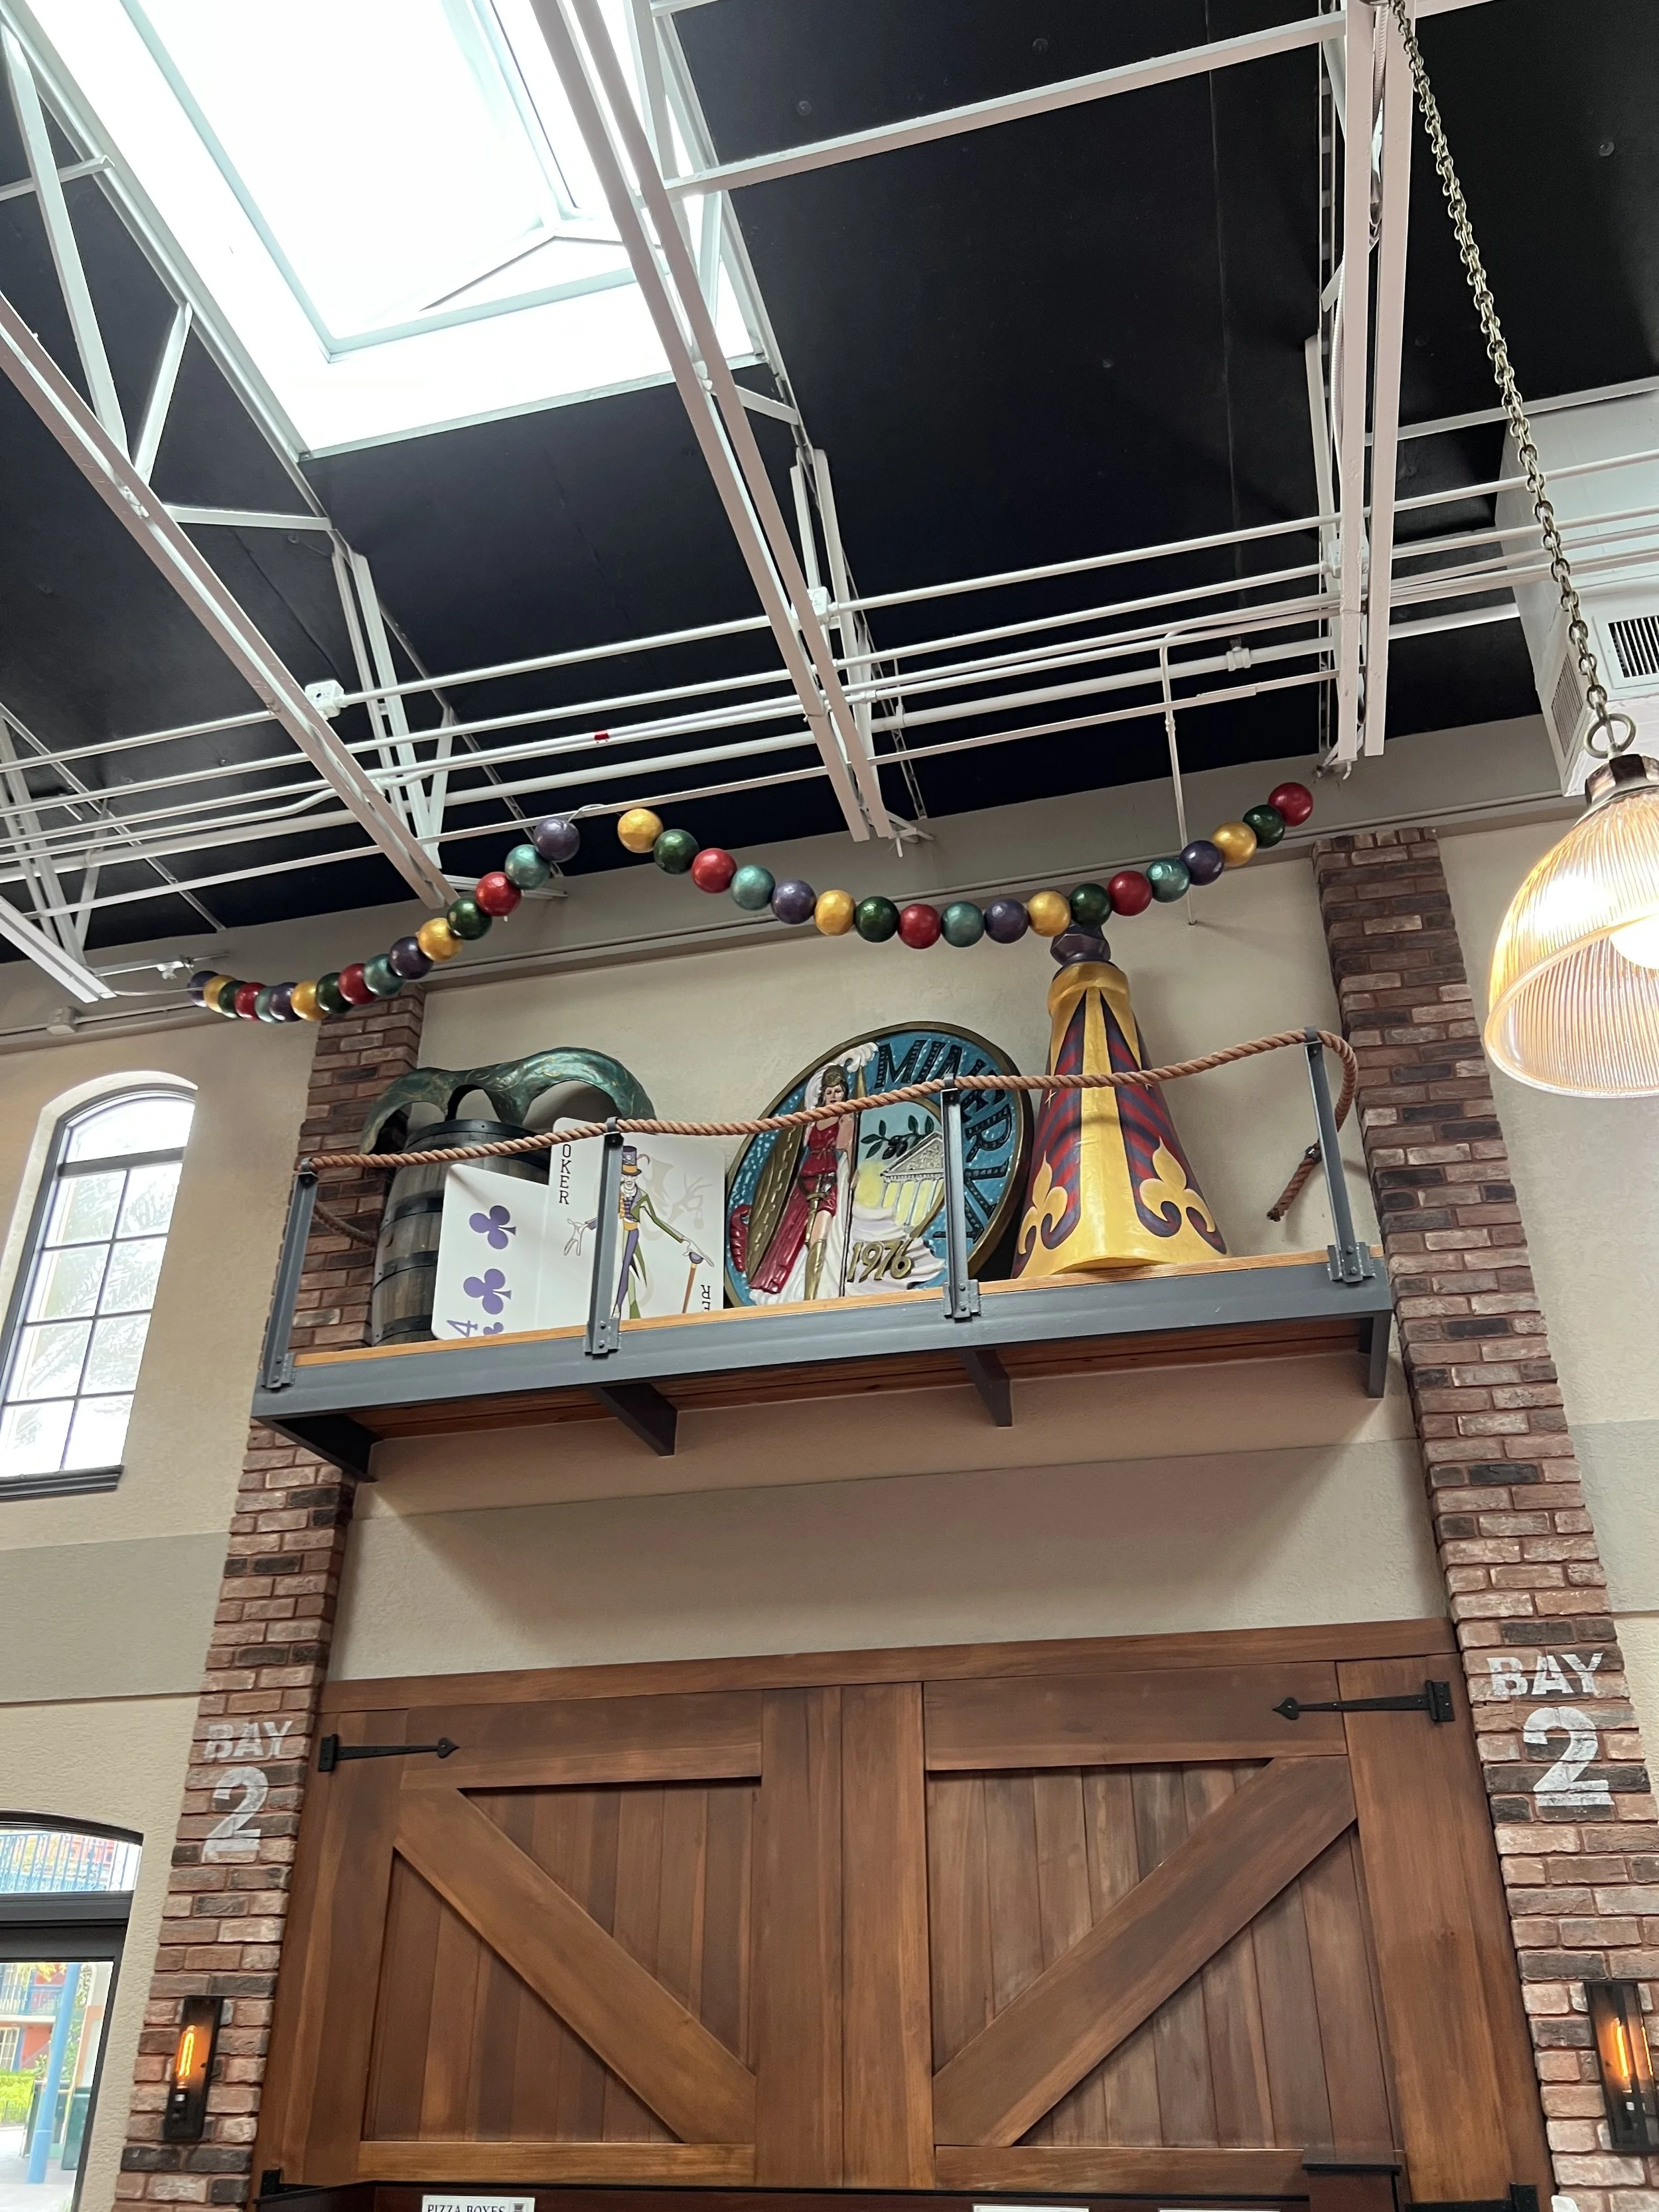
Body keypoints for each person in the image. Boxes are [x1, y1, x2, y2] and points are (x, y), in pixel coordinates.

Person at [749, 1061, 858, 1300]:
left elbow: (845, 1147)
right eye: (829, 1092)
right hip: (804, 1182)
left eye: (838, 1091)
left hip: (828, 1181)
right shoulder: (812, 1120)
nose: (833, 1096)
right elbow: (800, 1145)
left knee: (819, 1236)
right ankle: (778, 1283)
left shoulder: (846, 1117)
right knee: (793, 1234)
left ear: (845, 1092)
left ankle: (811, 1297)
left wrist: (848, 1124)